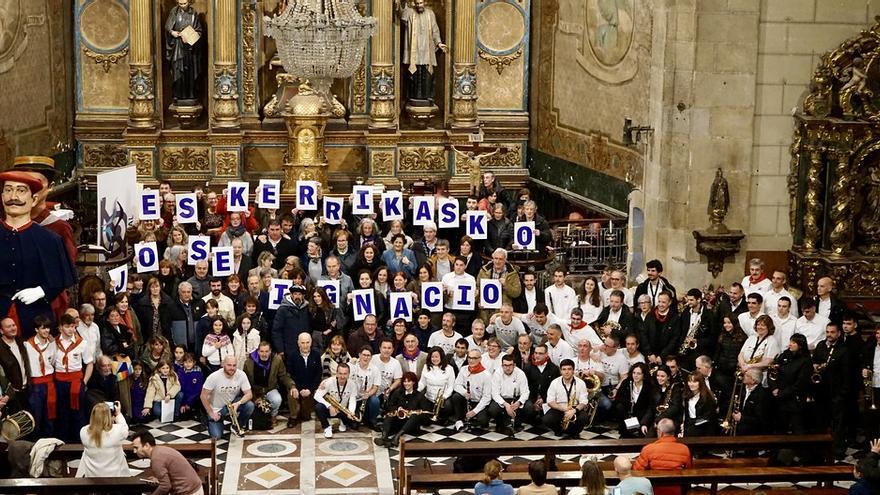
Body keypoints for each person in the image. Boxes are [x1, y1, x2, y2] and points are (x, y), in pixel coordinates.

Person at [0, 171, 76, 339]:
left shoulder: (49, 240)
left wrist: (42, 291)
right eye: (8, 190)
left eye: (21, 190)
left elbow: (61, 276)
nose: (14, 196)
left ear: (33, 199)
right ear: (2, 195)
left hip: (35, 319)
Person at [397, 0, 447, 104]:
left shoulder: (430, 13)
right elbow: (401, 14)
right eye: (417, 3)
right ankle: (413, 97)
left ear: (424, 2)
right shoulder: (410, 12)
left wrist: (438, 43)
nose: (419, 5)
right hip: (414, 52)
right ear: (414, 3)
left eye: (421, 3)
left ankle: (427, 96)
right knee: (413, 76)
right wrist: (402, 3)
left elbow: (435, 30)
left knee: (427, 75)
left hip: (426, 51)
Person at [243, 341, 298, 427]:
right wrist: (254, 398)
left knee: (277, 399)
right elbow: (245, 382)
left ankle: (273, 416)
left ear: (270, 351)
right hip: (255, 391)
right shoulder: (249, 362)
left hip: (270, 389)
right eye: (261, 351)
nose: (264, 354)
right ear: (258, 351)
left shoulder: (276, 360)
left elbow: (283, 376)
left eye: (266, 351)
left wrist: (292, 386)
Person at [132, 431, 204, 495]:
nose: (134, 451)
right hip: (195, 487)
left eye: (136, 448)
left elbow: (165, 486)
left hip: (190, 492)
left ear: (147, 445)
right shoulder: (160, 450)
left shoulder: (156, 459)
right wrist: (159, 479)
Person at [200, 354, 254, 439]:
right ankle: (210, 420)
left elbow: (249, 394)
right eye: (229, 365)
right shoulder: (213, 377)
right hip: (217, 409)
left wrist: (238, 403)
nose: (232, 368)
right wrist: (211, 412)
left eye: (234, 365)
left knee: (249, 405)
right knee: (216, 436)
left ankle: (237, 425)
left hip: (232, 404)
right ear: (223, 364)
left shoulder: (241, 375)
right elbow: (203, 396)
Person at [633, 418, 693, 495]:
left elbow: (637, 470)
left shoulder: (648, 449)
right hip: (676, 490)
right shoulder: (684, 449)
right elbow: (688, 470)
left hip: (653, 490)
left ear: (660, 432)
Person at [76, 401, 131, 478]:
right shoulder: (117, 431)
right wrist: (118, 414)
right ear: (109, 416)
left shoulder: (84, 431)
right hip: (115, 477)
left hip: (93, 476)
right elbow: (125, 428)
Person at [164, 0, 203, 104]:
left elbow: (199, 30)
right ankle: (178, 95)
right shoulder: (174, 12)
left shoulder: (193, 13)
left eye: (184, 3)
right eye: (180, 4)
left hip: (190, 48)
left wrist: (191, 36)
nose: (182, 6)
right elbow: (168, 27)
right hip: (177, 46)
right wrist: (173, 32)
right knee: (177, 70)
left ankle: (191, 94)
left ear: (189, 2)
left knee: (189, 70)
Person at [375, 371, 424, 448]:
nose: (406, 383)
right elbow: (389, 406)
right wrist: (398, 409)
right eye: (404, 381)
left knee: (415, 416)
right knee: (390, 414)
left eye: (409, 381)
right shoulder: (397, 393)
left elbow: (424, 413)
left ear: (414, 382)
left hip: (410, 425)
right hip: (398, 421)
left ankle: (397, 437)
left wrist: (411, 413)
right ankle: (384, 437)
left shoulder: (419, 395)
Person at [544, 358, 590, 437]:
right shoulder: (554, 383)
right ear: (560, 371)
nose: (566, 372)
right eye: (564, 369)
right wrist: (564, 409)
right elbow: (550, 401)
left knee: (584, 418)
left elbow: (584, 401)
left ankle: (574, 432)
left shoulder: (581, 383)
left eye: (569, 369)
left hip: (575, 408)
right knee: (547, 419)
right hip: (559, 407)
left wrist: (574, 411)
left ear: (573, 370)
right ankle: (558, 430)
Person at [450, 348, 492, 431]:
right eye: (469, 358)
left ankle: (472, 417)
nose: (471, 360)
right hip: (467, 400)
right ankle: (459, 419)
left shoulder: (486, 375)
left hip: (479, 402)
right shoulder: (464, 369)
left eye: (474, 358)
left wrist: (474, 411)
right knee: (456, 396)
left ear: (480, 359)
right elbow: (456, 385)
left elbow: (487, 397)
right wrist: (464, 392)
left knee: (483, 421)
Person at [315, 361, 359, 438]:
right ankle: (327, 427)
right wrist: (329, 406)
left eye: (345, 374)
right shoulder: (328, 382)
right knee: (318, 407)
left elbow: (352, 400)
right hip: (330, 409)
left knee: (354, 424)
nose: (342, 376)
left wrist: (351, 412)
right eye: (340, 373)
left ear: (348, 374)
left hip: (343, 409)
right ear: (337, 373)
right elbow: (316, 396)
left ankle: (343, 421)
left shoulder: (352, 384)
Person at [288, 333, 323, 425]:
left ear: (311, 343)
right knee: (292, 393)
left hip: (310, 389)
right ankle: (293, 417)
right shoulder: (292, 355)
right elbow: (290, 375)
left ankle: (302, 410)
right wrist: (297, 388)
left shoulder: (316, 355)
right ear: (298, 343)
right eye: (302, 343)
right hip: (297, 387)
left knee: (306, 417)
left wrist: (310, 390)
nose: (305, 345)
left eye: (307, 342)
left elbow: (318, 375)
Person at [681, 371, 717, 436]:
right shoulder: (686, 396)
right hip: (690, 428)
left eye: (694, 382)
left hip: (703, 430)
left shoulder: (708, 398)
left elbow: (707, 417)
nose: (691, 384)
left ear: (700, 383)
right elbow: (686, 415)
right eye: (689, 381)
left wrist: (692, 423)